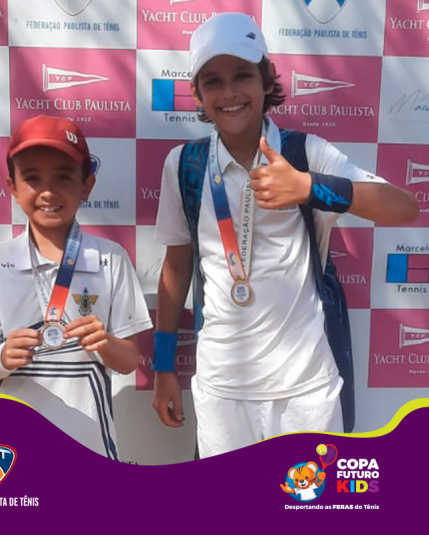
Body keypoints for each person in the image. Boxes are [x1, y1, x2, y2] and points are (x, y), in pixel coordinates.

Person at [152, 12, 419, 459]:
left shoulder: (304, 153)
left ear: (266, 79)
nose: (229, 93)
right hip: (222, 390)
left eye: (242, 75)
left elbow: (403, 207)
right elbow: (176, 269)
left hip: (306, 387)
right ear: (197, 92)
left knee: (308, 503)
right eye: (213, 81)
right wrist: (163, 366)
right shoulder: (183, 165)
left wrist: (309, 187)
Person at [0, 114, 152, 460]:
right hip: (12, 451)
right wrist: (0, 357)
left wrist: (105, 343)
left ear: (86, 186)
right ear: (13, 187)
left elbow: (127, 361)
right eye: (32, 178)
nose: (48, 191)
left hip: (89, 447)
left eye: (63, 177)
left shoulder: (110, 259)